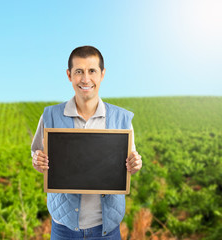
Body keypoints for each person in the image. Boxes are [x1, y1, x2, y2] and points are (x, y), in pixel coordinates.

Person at [31, 46, 142, 239]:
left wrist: (135, 164)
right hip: (63, 228)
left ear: (102, 74)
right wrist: (37, 161)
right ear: (69, 75)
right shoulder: (50, 115)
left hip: (106, 230)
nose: (85, 79)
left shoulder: (121, 119)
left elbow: (131, 161)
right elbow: (36, 154)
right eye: (78, 72)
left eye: (92, 71)